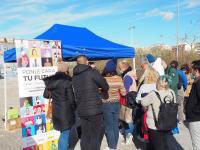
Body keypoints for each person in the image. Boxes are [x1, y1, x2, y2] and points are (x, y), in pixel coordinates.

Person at [72, 55, 109, 150]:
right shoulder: (92, 72)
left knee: (85, 135)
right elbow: (105, 86)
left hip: (82, 109)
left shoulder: (74, 76)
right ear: (87, 61)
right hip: (94, 109)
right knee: (95, 136)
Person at [43, 62, 75, 150]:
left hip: (56, 109)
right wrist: (75, 109)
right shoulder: (67, 80)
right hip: (66, 111)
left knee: (63, 131)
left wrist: (55, 95)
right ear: (66, 69)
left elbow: (45, 95)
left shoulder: (51, 80)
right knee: (65, 133)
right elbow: (71, 99)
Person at [141, 76, 176, 150]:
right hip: (168, 122)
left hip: (155, 125)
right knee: (164, 143)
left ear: (158, 83)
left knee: (156, 145)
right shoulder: (172, 92)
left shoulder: (153, 94)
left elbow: (143, 102)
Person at [101, 60, 126, 150]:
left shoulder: (104, 79)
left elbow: (99, 91)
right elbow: (123, 93)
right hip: (116, 104)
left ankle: (112, 146)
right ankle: (115, 144)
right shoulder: (119, 78)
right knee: (115, 125)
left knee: (109, 126)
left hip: (106, 104)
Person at [136, 68, 159, 141]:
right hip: (157, 110)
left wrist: (143, 102)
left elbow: (137, 99)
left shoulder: (143, 86)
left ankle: (145, 137)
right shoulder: (158, 86)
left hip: (145, 111)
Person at [118, 60, 137, 144]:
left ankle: (129, 136)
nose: (119, 70)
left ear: (123, 68)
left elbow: (125, 90)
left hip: (128, 100)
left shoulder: (127, 77)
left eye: (120, 68)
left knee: (127, 118)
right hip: (132, 99)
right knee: (129, 117)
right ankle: (129, 134)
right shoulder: (130, 74)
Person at [185, 61, 200, 150]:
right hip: (196, 117)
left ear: (196, 70)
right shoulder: (197, 82)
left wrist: (194, 111)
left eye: (193, 69)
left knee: (197, 144)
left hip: (196, 118)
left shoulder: (198, 82)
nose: (191, 71)